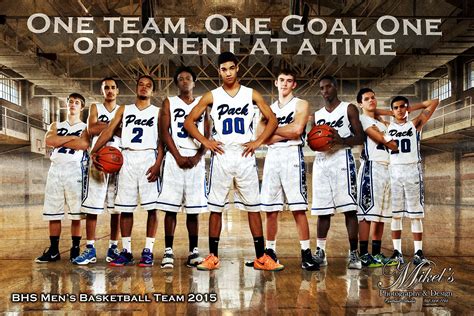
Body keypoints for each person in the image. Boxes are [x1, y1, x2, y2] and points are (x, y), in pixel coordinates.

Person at [183, 51, 283, 271]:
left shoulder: (251, 93)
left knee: (253, 208)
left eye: (231, 68)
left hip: (245, 155)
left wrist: (258, 142)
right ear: (219, 71)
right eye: (223, 69)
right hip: (222, 154)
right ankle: (212, 256)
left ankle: (261, 257)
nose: (227, 73)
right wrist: (206, 142)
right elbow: (188, 122)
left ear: (238, 69)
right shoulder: (212, 96)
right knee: (216, 208)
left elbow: (273, 119)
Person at [90, 75, 163, 267]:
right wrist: (94, 150)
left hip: (148, 157)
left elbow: (163, 140)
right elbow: (108, 131)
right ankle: (127, 251)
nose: (144, 88)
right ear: (136, 88)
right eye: (141, 85)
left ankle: (148, 250)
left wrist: (158, 163)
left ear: (152, 91)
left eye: (149, 86)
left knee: (152, 208)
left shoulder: (158, 112)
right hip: (128, 158)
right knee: (125, 208)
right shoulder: (125, 109)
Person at [258, 68, 319, 270]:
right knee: (270, 209)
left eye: (289, 81)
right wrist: (271, 135)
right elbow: (260, 136)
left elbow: (297, 130)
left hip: (292, 155)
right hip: (273, 156)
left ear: (294, 84)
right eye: (281, 80)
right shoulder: (268, 107)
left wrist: (270, 132)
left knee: (298, 208)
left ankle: (306, 253)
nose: (284, 83)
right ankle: (270, 252)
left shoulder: (301, 104)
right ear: (276, 83)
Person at [156, 66, 208, 268]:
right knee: (171, 208)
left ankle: (193, 251)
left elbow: (207, 132)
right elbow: (164, 132)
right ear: (177, 83)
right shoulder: (169, 102)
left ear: (194, 82)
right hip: (174, 160)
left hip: (196, 160)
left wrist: (198, 156)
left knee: (193, 210)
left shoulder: (203, 104)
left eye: (188, 78)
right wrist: (177, 155)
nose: (185, 81)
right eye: (181, 78)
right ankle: (168, 251)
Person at [311, 75, 364, 269]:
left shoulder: (348, 108)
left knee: (349, 209)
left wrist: (340, 140)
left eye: (328, 87)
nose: (325, 91)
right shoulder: (316, 115)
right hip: (322, 162)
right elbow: (312, 141)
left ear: (335, 87)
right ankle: (321, 252)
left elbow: (360, 137)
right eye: (322, 88)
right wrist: (320, 143)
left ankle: (354, 254)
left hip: (342, 159)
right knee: (322, 211)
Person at [35, 93, 90, 263]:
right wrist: (72, 138)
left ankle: (75, 250)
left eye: (77, 102)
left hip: (76, 170)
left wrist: (60, 140)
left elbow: (83, 144)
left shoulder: (85, 127)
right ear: (66, 105)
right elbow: (49, 140)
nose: (73, 104)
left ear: (82, 107)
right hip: (55, 169)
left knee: (76, 214)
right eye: (70, 102)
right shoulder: (55, 124)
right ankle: (53, 251)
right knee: (53, 212)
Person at [73, 78, 122, 265]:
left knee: (116, 208)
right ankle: (90, 248)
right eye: (106, 88)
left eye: (112, 88)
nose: (109, 91)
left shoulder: (123, 109)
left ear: (117, 91)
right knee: (92, 207)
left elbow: (124, 131)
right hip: (98, 160)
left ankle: (113, 247)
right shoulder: (95, 107)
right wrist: (114, 127)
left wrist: (109, 128)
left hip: (117, 160)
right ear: (102, 91)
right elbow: (92, 128)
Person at [386, 96, 439, 265]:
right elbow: (370, 114)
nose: (400, 110)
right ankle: (397, 252)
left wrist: (410, 108)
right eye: (396, 107)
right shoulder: (387, 126)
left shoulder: (415, 124)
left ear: (407, 108)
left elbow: (434, 102)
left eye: (403, 107)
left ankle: (418, 253)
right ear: (392, 110)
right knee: (395, 216)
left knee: (415, 215)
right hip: (394, 171)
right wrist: (390, 112)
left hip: (412, 171)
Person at [356, 88, 399, 267]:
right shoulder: (363, 119)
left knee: (381, 214)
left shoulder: (379, 122)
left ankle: (376, 253)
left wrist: (385, 133)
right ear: (360, 103)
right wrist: (386, 137)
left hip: (386, 168)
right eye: (366, 99)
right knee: (366, 213)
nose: (371, 100)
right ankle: (364, 254)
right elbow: (389, 143)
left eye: (373, 97)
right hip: (371, 167)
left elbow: (390, 140)